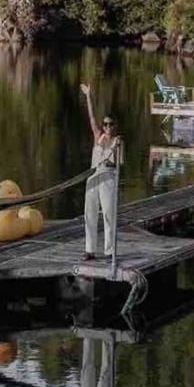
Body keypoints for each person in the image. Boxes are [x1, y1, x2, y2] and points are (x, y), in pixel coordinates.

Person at [80, 83, 121, 261]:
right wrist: (88, 96)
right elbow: (91, 117)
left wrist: (108, 161)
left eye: (111, 124)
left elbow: (118, 164)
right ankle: (90, 250)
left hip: (108, 178)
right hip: (93, 176)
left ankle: (109, 250)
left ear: (115, 126)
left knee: (108, 213)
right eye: (105, 124)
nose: (107, 127)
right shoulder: (98, 135)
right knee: (89, 212)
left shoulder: (118, 142)